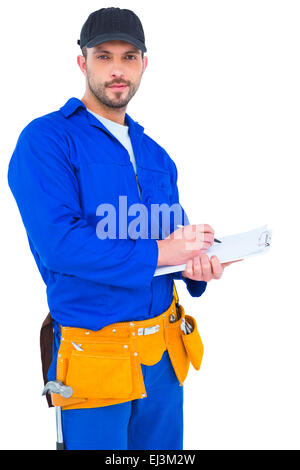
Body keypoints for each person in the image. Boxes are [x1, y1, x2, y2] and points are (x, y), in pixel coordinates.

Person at [7, 7, 238, 450]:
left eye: (129, 57)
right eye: (104, 56)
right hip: (96, 356)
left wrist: (197, 266)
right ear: (83, 62)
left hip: (164, 356)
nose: (117, 69)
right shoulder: (47, 139)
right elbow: (60, 245)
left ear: (144, 64)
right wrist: (161, 254)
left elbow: (172, 240)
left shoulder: (156, 154)